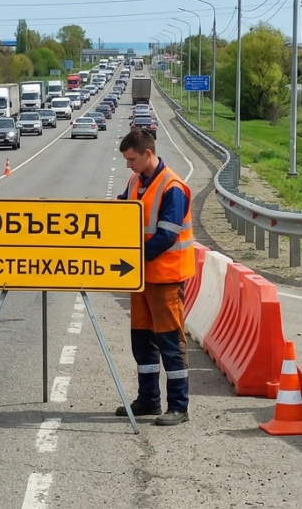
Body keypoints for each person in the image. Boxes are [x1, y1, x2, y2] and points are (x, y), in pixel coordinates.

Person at [114, 129, 195, 426]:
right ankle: (148, 400)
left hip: (165, 278)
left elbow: (166, 236)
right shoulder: (136, 179)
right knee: (143, 342)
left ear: (148, 153)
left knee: (170, 344)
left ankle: (179, 406)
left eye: (131, 159)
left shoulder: (172, 187)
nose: (128, 165)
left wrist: (133, 257)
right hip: (140, 278)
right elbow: (123, 213)